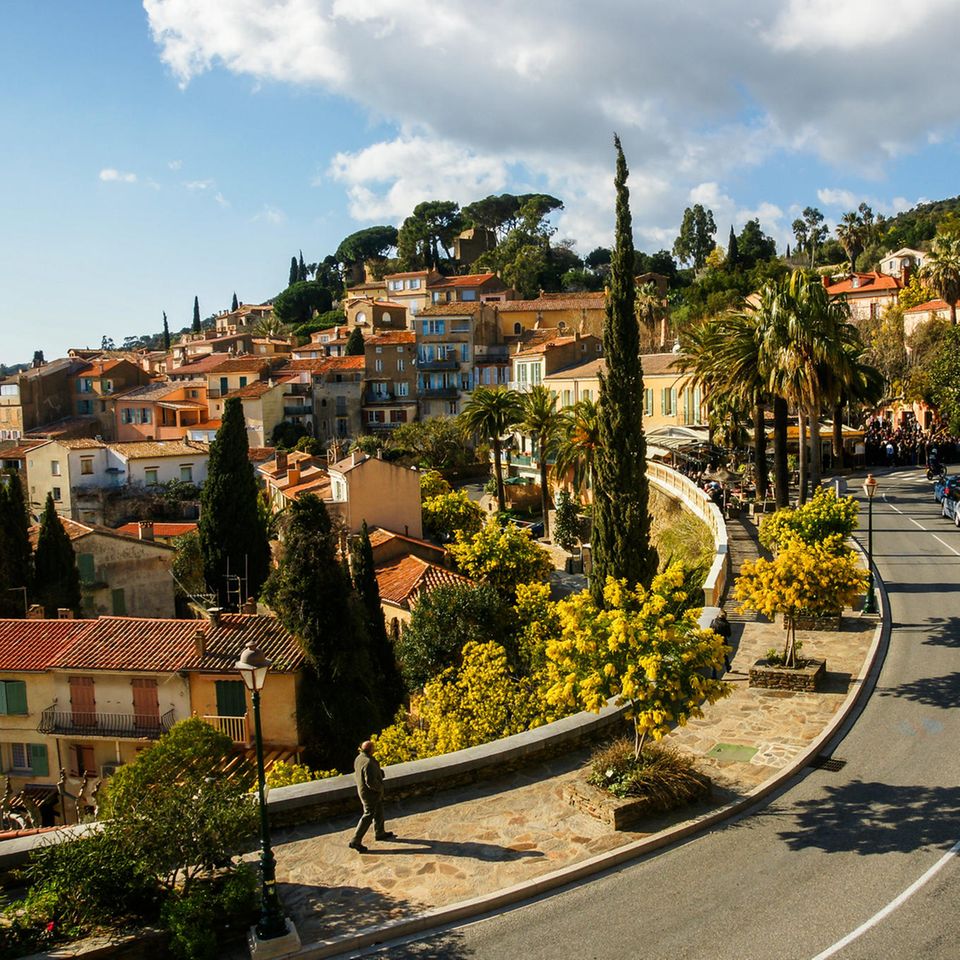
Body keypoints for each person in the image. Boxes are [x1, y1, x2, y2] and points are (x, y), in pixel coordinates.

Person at [348, 740, 395, 853]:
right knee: (368, 815)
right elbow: (370, 782)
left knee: (379, 810)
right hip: (370, 794)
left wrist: (379, 772)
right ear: (370, 750)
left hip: (365, 792)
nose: (375, 749)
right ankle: (356, 840)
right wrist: (380, 788)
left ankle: (380, 832)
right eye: (373, 747)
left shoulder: (359, 758)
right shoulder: (368, 762)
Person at [709, 610, 733, 679]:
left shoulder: (714, 622)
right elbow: (729, 634)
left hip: (714, 641)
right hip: (723, 641)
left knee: (714, 658)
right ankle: (728, 667)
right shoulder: (726, 624)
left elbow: (710, 630)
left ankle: (713, 675)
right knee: (725, 656)